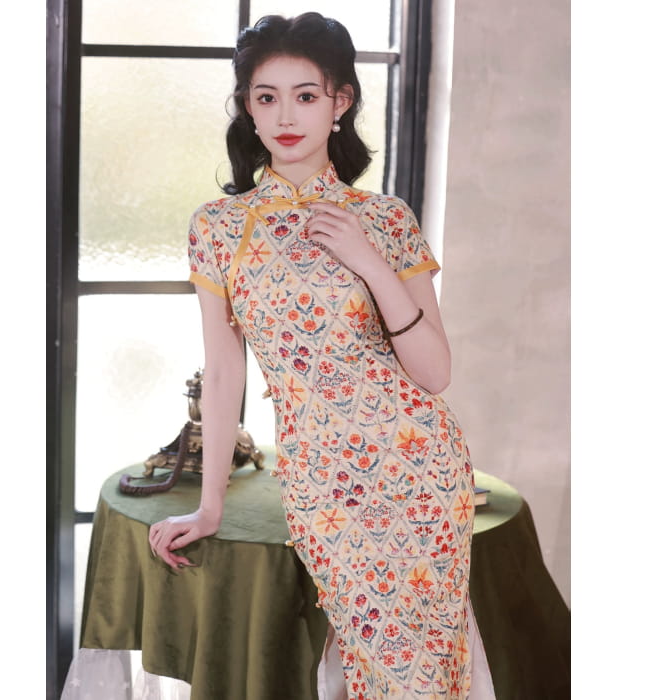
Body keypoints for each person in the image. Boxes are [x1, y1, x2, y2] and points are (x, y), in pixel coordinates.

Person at [149, 12, 494, 700]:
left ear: (340, 102)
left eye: (306, 95)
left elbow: (434, 373)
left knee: (422, 670)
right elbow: (224, 373)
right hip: (322, 482)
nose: (286, 115)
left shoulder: (386, 219)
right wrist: (210, 508)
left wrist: (369, 261)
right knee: (374, 664)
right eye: (266, 96)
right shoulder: (219, 228)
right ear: (247, 108)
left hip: (418, 468)